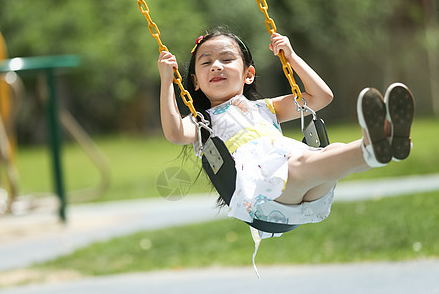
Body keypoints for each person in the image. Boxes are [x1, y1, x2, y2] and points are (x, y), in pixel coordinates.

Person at [158, 26, 414, 232]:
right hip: (264, 199)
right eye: (206, 63)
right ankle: (374, 145)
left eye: (227, 59)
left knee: (331, 151)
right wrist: (167, 82)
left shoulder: (266, 107)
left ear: (248, 75)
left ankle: (384, 145)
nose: (216, 65)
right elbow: (175, 132)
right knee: (303, 163)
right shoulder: (204, 122)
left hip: (305, 188)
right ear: (195, 83)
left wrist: (291, 57)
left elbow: (320, 97)